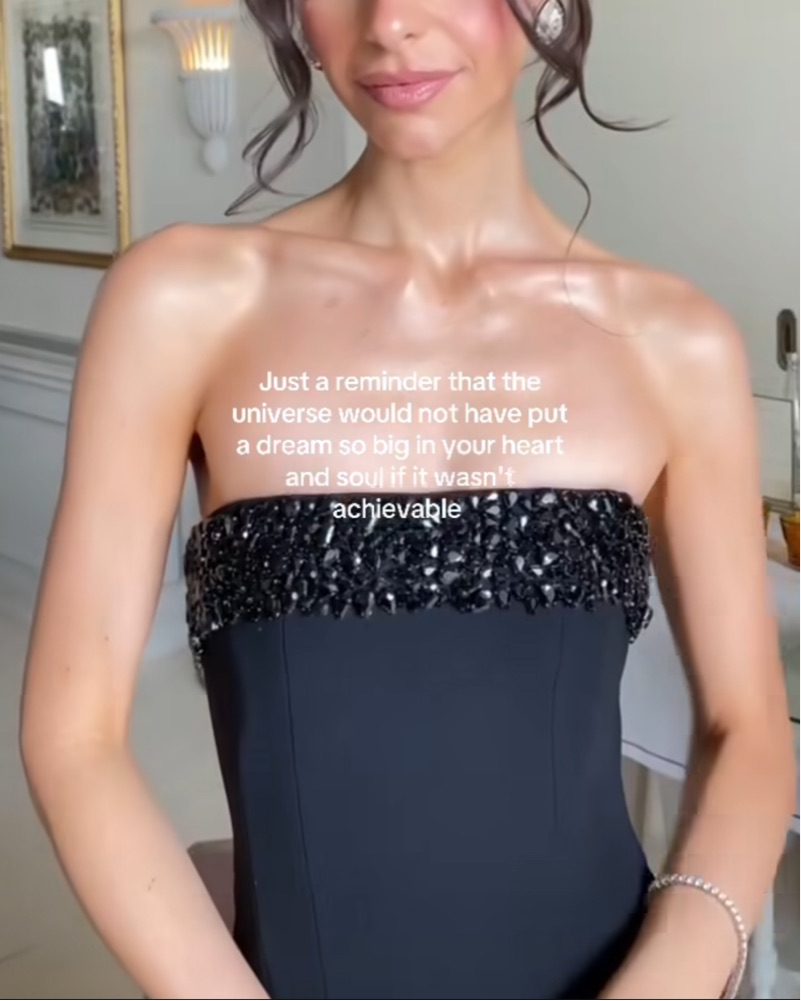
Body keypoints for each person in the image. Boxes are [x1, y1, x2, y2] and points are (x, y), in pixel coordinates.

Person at [19, 1, 796, 998]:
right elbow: (73, 735)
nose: (389, 22)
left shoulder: (675, 341)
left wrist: (666, 977)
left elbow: (748, 729)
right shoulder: (183, 300)